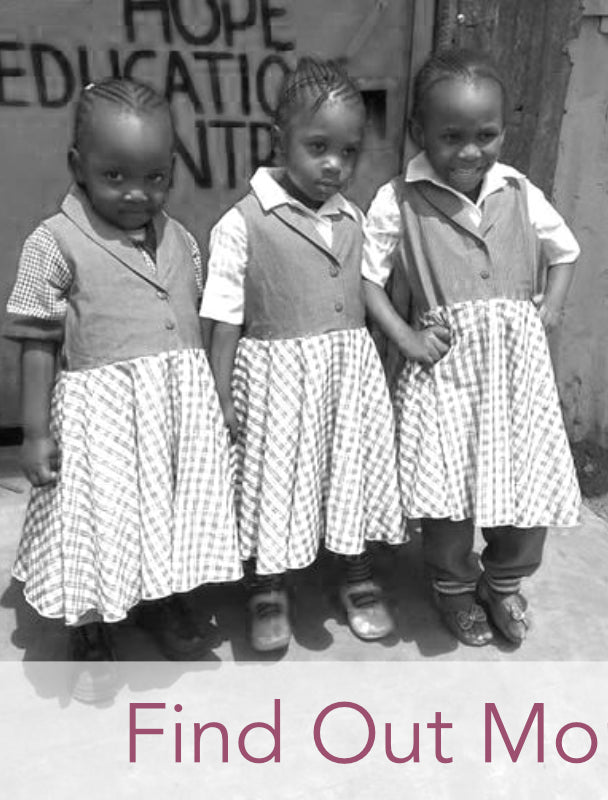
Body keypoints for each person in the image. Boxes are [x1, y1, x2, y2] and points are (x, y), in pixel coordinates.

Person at [3, 78, 242, 680]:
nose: (138, 193)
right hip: (100, 422)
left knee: (162, 511)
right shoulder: (52, 243)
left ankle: (161, 598)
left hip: (172, 416)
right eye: (116, 177)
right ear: (78, 167)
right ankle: (91, 619)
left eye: (156, 177)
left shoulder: (182, 239)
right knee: (98, 519)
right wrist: (34, 433)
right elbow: (37, 344)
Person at [362, 48, 582, 647]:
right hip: (444, 375)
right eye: (451, 135)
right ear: (418, 132)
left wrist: (551, 308)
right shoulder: (397, 200)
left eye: (486, 135)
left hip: (516, 374)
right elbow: (366, 280)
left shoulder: (519, 190)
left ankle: (504, 582)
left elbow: (564, 252)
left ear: (504, 131)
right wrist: (405, 336)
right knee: (448, 495)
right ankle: (454, 588)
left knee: (524, 487)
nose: (470, 151)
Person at [202, 57, 406, 653]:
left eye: (349, 150)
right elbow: (222, 320)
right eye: (318, 146)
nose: (334, 165)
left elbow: (373, 292)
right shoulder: (242, 224)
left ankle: (357, 573)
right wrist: (220, 399)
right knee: (274, 482)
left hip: (345, 379)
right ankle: (267, 585)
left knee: (348, 472)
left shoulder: (353, 217)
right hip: (275, 383)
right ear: (279, 140)